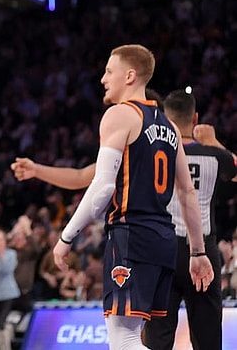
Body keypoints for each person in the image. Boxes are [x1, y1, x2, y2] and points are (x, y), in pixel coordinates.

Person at [12, 89, 237, 349]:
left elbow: (81, 177)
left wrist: (37, 170)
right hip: (200, 248)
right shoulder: (214, 156)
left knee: (153, 338)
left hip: (156, 244)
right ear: (195, 119)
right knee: (208, 337)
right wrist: (216, 143)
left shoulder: (141, 149)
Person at [47, 45, 214, 350]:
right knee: (132, 336)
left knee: (123, 339)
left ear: (130, 75)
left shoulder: (120, 115)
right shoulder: (169, 126)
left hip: (131, 236)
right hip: (163, 240)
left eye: (109, 71)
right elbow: (187, 193)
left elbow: (102, 187)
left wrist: (66, 237)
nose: (102, 78)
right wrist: (197, 252)